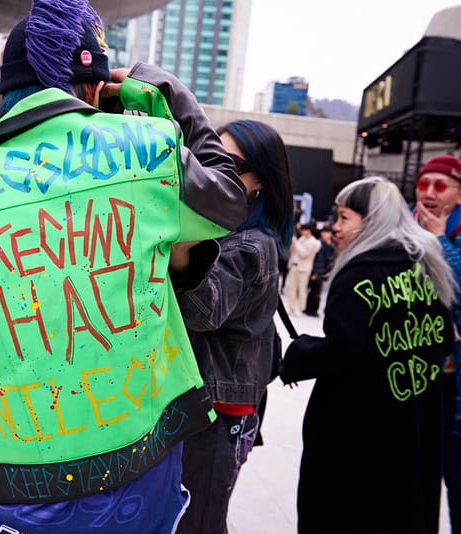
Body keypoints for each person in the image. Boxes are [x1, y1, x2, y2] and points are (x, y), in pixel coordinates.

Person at [0, 0, 248, 531]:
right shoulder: (148, 151)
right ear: (92, 85)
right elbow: (228, 200)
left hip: (20, 482)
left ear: (7, 89)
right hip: (143, 463)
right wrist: (169, 98)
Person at [280, 176, 457, 534]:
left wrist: (297, 356)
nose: (336, 227)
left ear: (372, 219)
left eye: (344, 217)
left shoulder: (361, 275)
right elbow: (445, 343)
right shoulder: (427, 268)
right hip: (413, 429)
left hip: (359, 439)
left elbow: (342, 348)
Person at [171, 119, 295, 534]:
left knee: (198, 521)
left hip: (216, 414)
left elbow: (205, 312)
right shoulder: (226, 233)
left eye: (232, 165)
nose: (216, 175)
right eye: (210, 162)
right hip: (206, 409)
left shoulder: (250, 245)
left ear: (260, 180)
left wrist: (181, 249)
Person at [413, 154, 461, 532]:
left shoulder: (452, 232)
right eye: (423, 184)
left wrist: (441, 240)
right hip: (419, 374)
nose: (429, 193)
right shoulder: (405, 229)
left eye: (440, 185)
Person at [285, 221, 321, 316]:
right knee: (291, 288)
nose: (302, 232)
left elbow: (303, 254)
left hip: (304, 269)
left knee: (302, 290)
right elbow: (293, 251)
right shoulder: (301, 239)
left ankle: (300, 308)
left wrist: (296, 243)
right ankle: (290, 307)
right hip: (294, 266)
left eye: (304, 230)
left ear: (309, 231)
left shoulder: (313, 242)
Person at [303, 225, 334, 317]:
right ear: (322, 233)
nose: (328, 235)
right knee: (314, 291)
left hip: (323, 271)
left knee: (317, 291)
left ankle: (312, 309)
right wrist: (315, 272)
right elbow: (317, 259)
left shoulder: (329, 244)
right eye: (327, 232)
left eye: (329, 233)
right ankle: (310, 309)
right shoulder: (319, 244)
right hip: (317, 271)